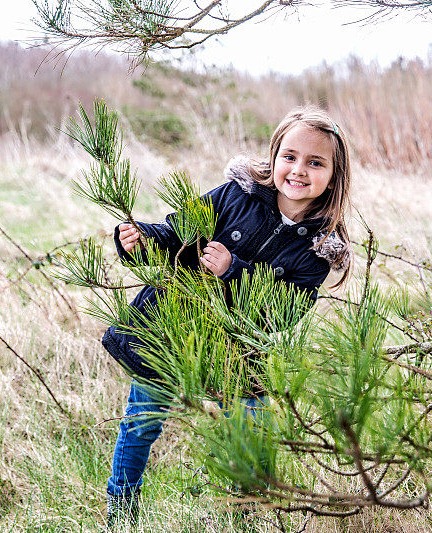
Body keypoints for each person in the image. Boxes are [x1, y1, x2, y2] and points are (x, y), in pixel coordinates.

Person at [101, 106, 352, 525]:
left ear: (334, 174)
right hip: (174, 326)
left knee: (250, 434)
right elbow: (180, 230)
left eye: (315, 162)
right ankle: (121, 511)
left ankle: (243, 515)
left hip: (241, 352)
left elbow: (281, 313)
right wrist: (142, 238)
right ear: (273, 157)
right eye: (289, 156)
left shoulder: (319, 250)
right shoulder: (236, 195)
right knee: (141, 423)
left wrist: (233, 271)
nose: (299, 170)